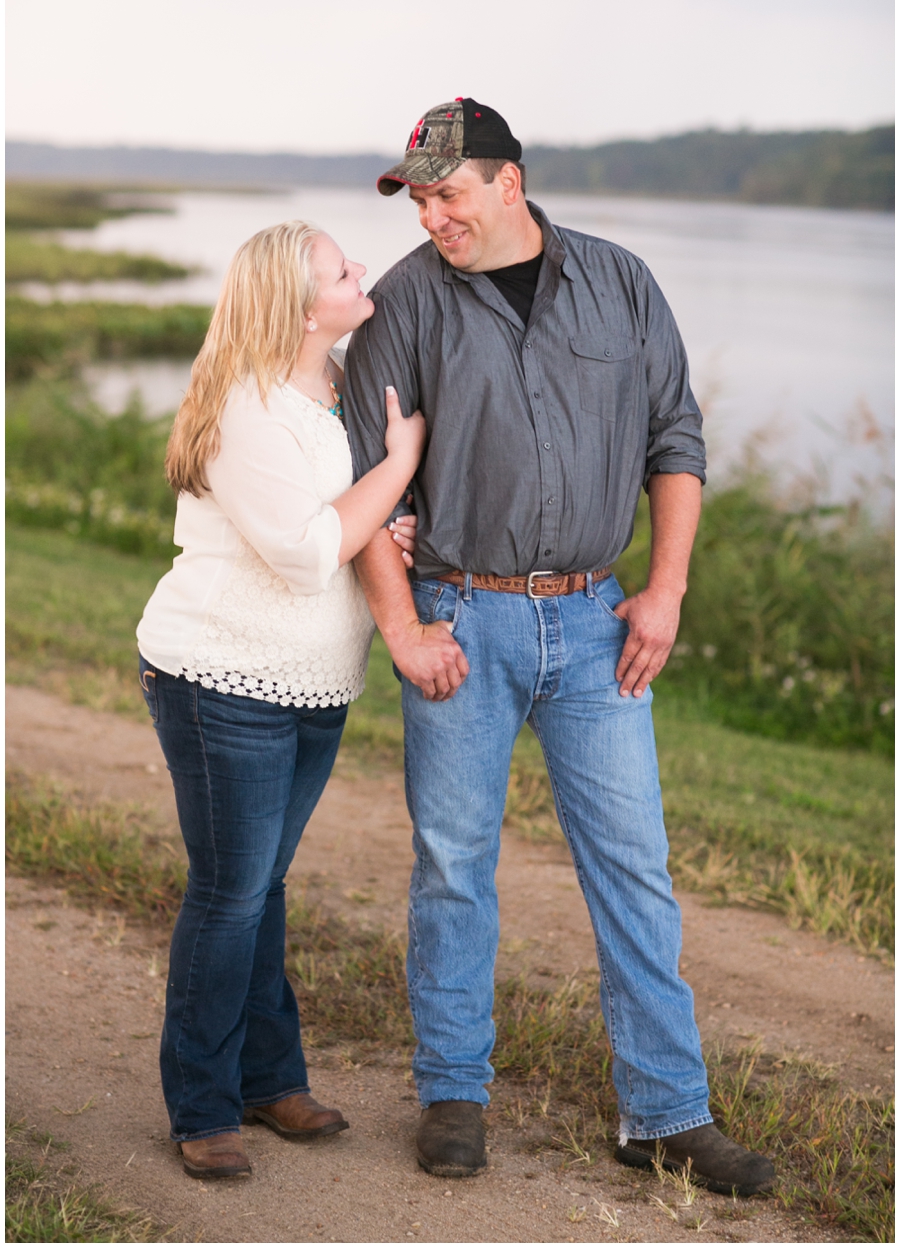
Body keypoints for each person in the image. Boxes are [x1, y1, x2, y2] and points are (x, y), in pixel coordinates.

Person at [343, 98, 775, 1196]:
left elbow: (676, 437)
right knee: (453, 868)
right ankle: (453, 1092)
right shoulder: (401, 304)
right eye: (421, 197)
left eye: (449, 192)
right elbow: (358, 485)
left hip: (597, 623)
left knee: (635, 867)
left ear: (509, 183)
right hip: (462, 618)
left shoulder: (621, 283)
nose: (433, 214)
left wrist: (666, 591)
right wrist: (401, 625)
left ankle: (667, 1114)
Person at [136, 220, 425, 1179]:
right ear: (306, 309)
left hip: (314, 683)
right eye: (343, 270)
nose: (361, 272)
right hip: (222, 678)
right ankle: (204, 1105)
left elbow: (340, 528)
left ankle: (267, 1078)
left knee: (262, 885)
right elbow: (304, 550)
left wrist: (385, 519)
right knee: (229, 893)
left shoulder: (334, 385)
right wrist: (397, 468)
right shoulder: (244, 408)